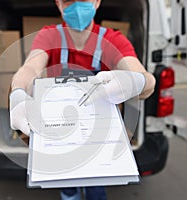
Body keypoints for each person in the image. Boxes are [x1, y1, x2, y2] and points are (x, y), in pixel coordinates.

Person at [9, 0, 156, 199]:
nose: (77, 6)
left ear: (96, 2)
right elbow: (30, 68)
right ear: (59, 4)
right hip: (60, 127)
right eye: (69, 0)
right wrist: (18, 93)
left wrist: (136, 80)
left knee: (96, 184)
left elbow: (146, 81)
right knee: (66, 182)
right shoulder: (49, 36)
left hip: (99, 131)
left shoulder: (112, 39)